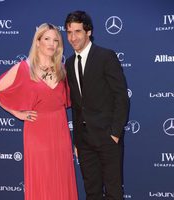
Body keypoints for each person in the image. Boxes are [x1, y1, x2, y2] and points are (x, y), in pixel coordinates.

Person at [0, 23, 78, 200]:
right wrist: (17, 113)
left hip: (60, 130)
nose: (51, 44)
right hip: (37, 132)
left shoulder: (63, 69)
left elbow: (75, 100)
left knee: (61, 177)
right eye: (46, 39)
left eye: (55, 40)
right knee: (42, 178)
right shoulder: (24, 67)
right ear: (37, 42)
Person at [64, 11, 129, 200]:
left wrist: (115, 133)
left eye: (77, 31)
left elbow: (121, 96)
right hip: (84, 142)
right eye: (69, 32)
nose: (73, 37)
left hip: (108, 138)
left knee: (113, 193)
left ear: (88, 32)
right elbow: (77, 105)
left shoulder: (105, 56)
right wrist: (77, 140)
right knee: (92, 193)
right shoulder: (69, 63)